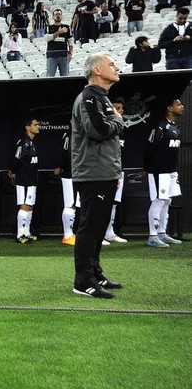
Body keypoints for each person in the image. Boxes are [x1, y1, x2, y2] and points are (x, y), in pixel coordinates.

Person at [70, 52, 124, 299]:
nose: (117, 67)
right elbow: (99, 130)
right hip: (92, 173)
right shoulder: (88, 98)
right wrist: (119, 122)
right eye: (111, 64)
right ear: (97, 71)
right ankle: (83, 281)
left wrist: (114, 119)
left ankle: (95, 273)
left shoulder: (102, 98)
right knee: (90, 227)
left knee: (99, 227)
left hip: (104, 170)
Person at [144, 98, 185, 248]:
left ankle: (162, 232)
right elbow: (148, 148)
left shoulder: (175, 127)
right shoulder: (160, 126)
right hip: (159, 171)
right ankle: (152, 236)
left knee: (167, 200)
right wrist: (147, 167)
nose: (182, 106)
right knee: (159, 200)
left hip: (171, 171)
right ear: (169, 107)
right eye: (178, 104)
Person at [9, 117, 40, 244]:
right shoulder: (23, 142)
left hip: (32, 179)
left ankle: (27, 232)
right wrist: (14, 171)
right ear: (28, 127)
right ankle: (20, 234)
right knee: (24, 205)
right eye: (35, 124)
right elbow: (16, 159)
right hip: (23, 179)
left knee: (30, 206)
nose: (38, 126)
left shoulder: (32, 143)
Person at [103, 97, 128, 245]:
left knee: (113, 203)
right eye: (114, 108)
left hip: (118, 171)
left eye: (119, 109)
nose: (117, 111)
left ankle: (109, 232)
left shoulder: (123, 129)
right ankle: (99, 235)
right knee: (102, 203)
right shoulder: (104, 128)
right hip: (105, 171)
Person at [54, 125, 76, 245]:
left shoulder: (81, 131)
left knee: (75, 205)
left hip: (79, 173)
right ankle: (67, 235)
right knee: (70, 204)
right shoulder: (70, 133)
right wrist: (61, 166)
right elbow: (66, 153)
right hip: (70, 173)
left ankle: (71, 233)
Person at [45, 9, 73, 77]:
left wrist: (70, 53)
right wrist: (59, 32)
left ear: (62, 16)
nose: (58, 16)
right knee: (50, 76)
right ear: (53, 17)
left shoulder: (66, 27)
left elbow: (70, 41)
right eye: (56, 14)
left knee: (65, 76)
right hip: (52, 55)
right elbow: (47, 38)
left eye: (59, 14)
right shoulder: (49, 27)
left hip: (63, 55)